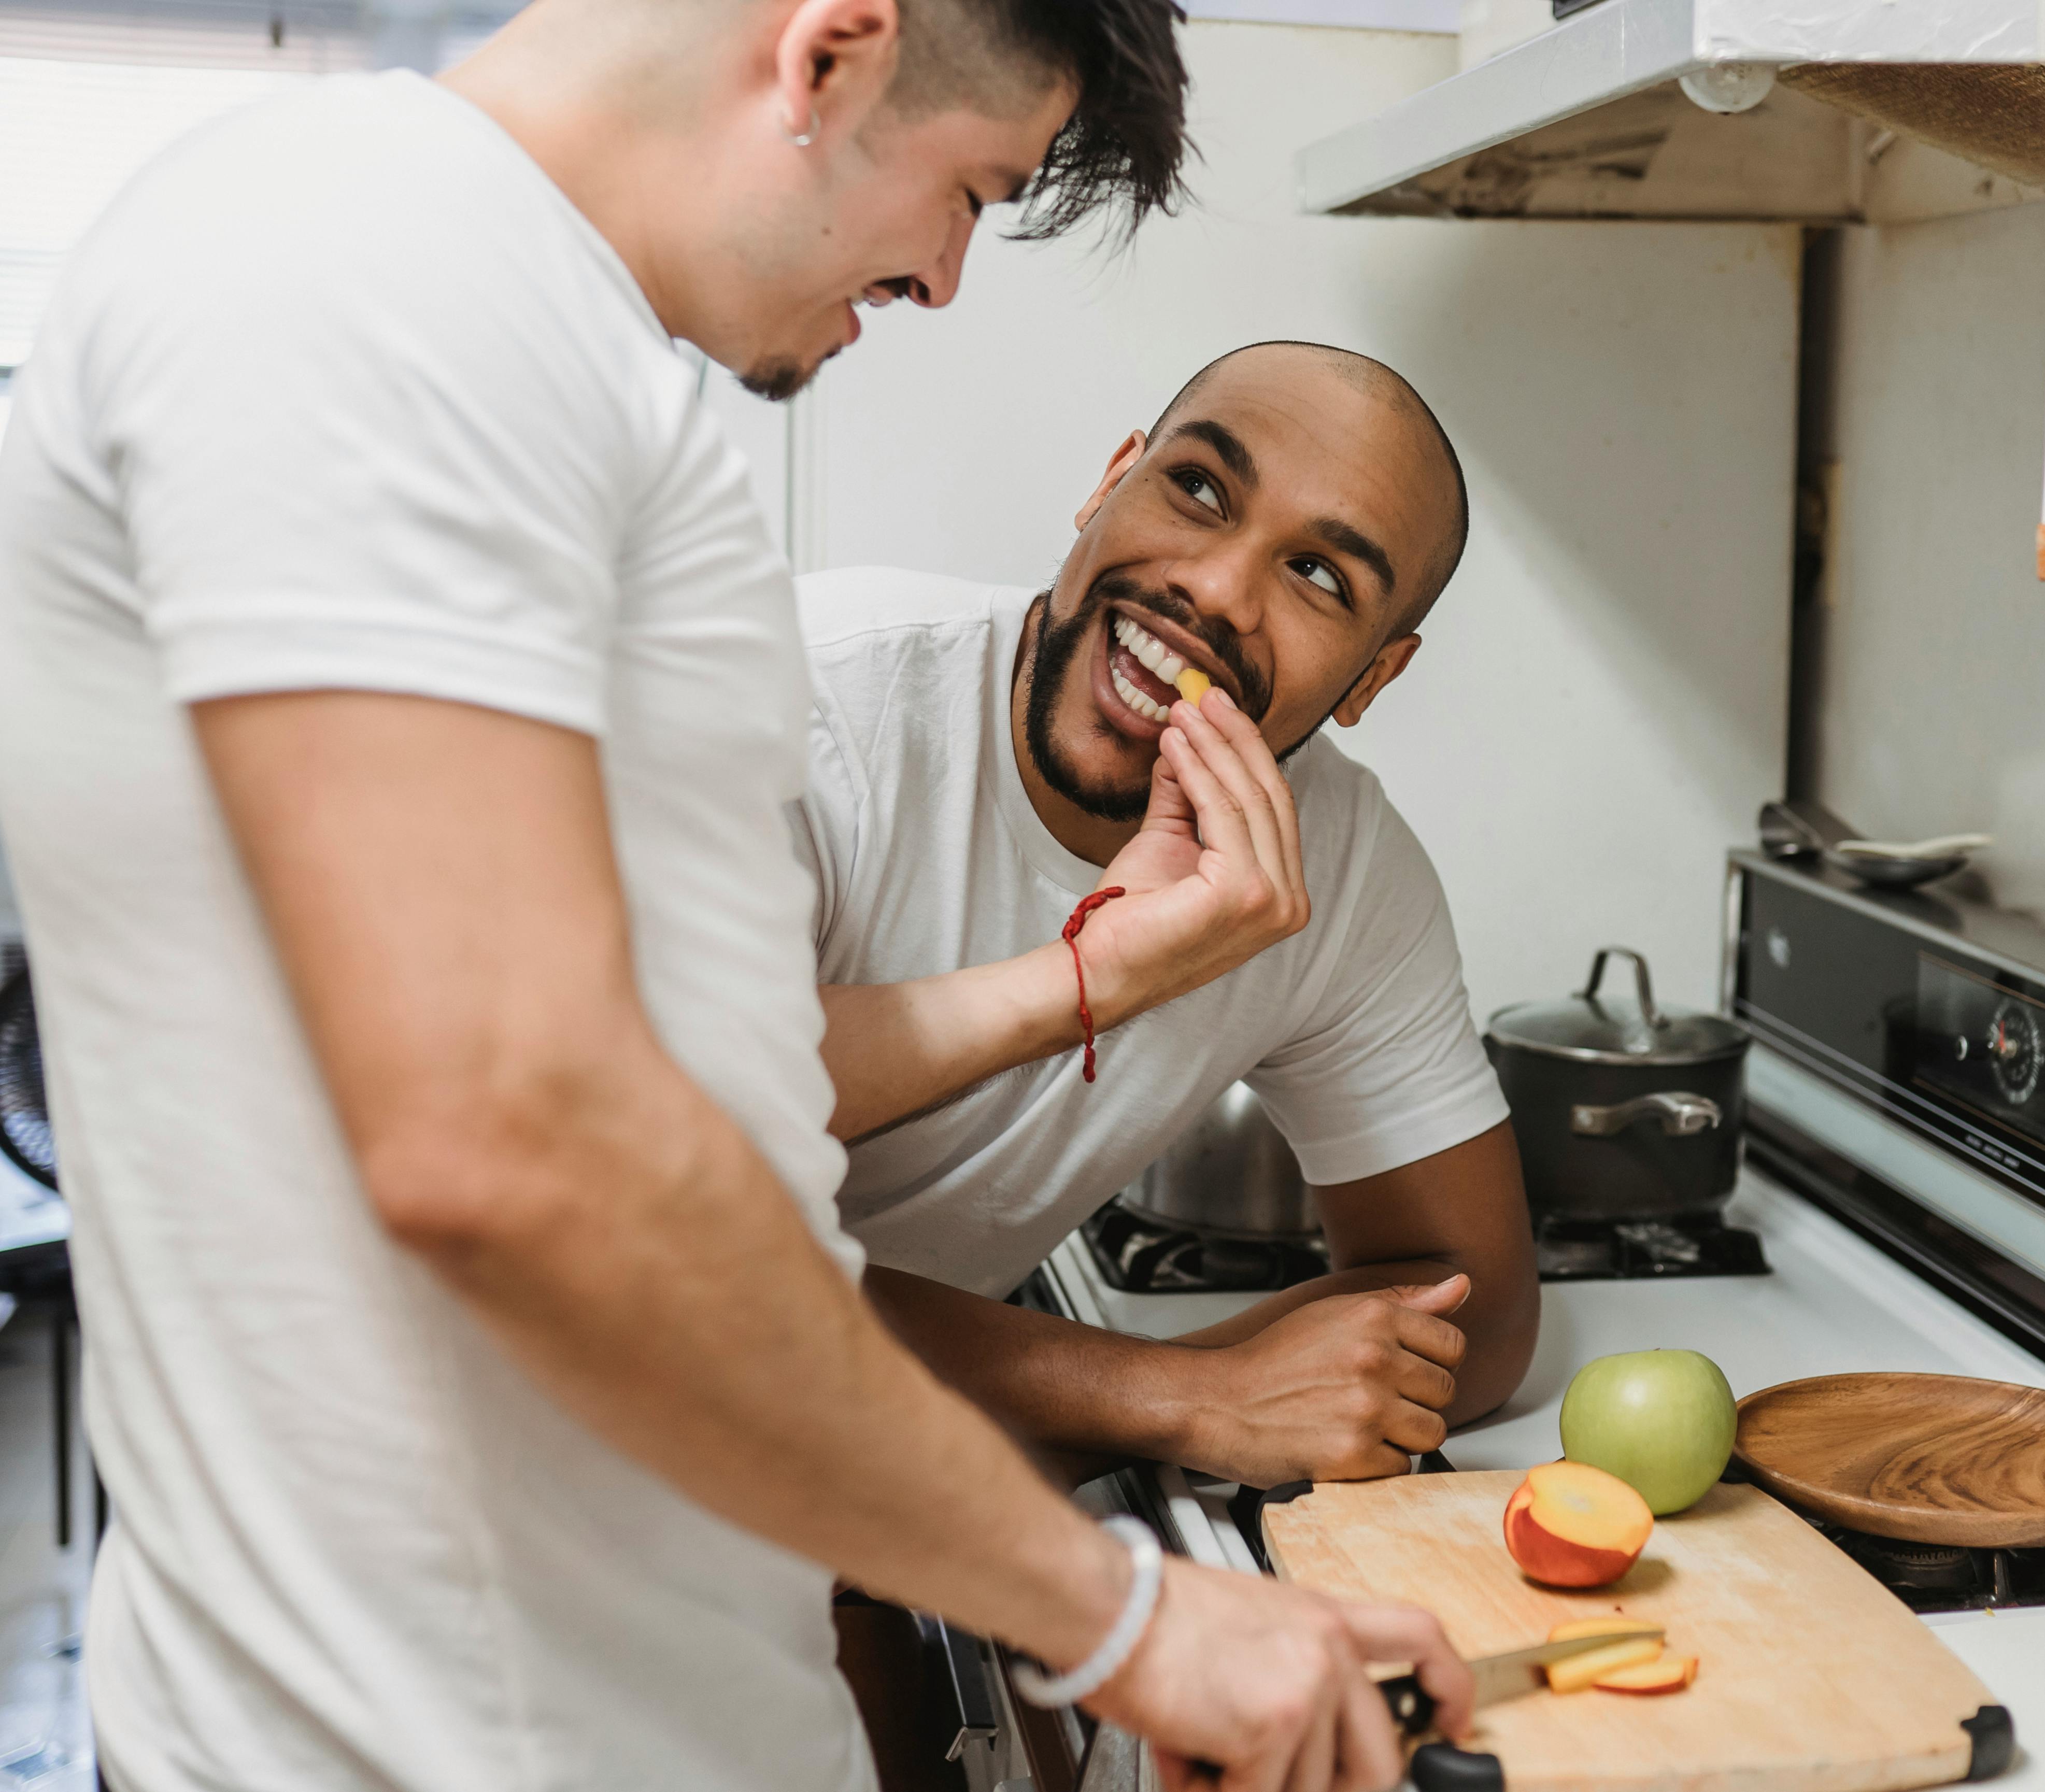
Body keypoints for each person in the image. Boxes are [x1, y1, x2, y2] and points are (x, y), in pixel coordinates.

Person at [0, 3, 1469, 1790]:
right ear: (829, 52)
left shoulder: (560, 365)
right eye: (969, 191)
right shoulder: (373, 277)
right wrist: (1132, 1617)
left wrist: (1084, 977)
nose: (941, 275)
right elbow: (517, 1141)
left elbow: (707, 1091)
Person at [795, 342, 1541, 1486]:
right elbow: (638, 1210)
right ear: (1109, 481)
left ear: (1372, 678)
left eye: (1318, 578)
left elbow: (1470, 1305)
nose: (1215, 589)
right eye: (1197, 489)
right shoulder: (808, 697)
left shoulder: (1341, 869)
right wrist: (1177, 1401)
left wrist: (1204, 1402)